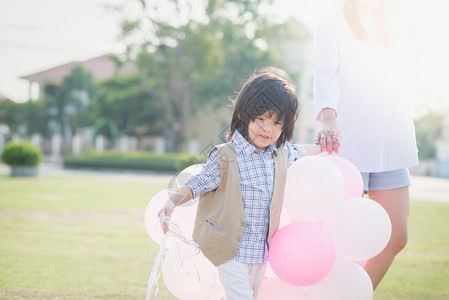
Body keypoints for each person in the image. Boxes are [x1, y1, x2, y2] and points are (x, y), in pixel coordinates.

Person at [158, 67, 321, 299]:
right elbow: (200, 181)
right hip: (231, 252)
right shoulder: (227, 155)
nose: (267, 128)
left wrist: (328, 145)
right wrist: (172, 201)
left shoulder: (282, 154)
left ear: (285, 127)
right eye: (261, 119)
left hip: (260, 253)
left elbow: (308, 151)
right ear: (244, 116)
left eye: (276, 123)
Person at [313, 0, 419, 291]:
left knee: (396, 236)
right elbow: (324, 74)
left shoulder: (396, 24)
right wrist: (328, 118)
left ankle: (353, 294)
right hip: (346, 143)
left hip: (391, 142)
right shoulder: (333, 21)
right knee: (336, 238)